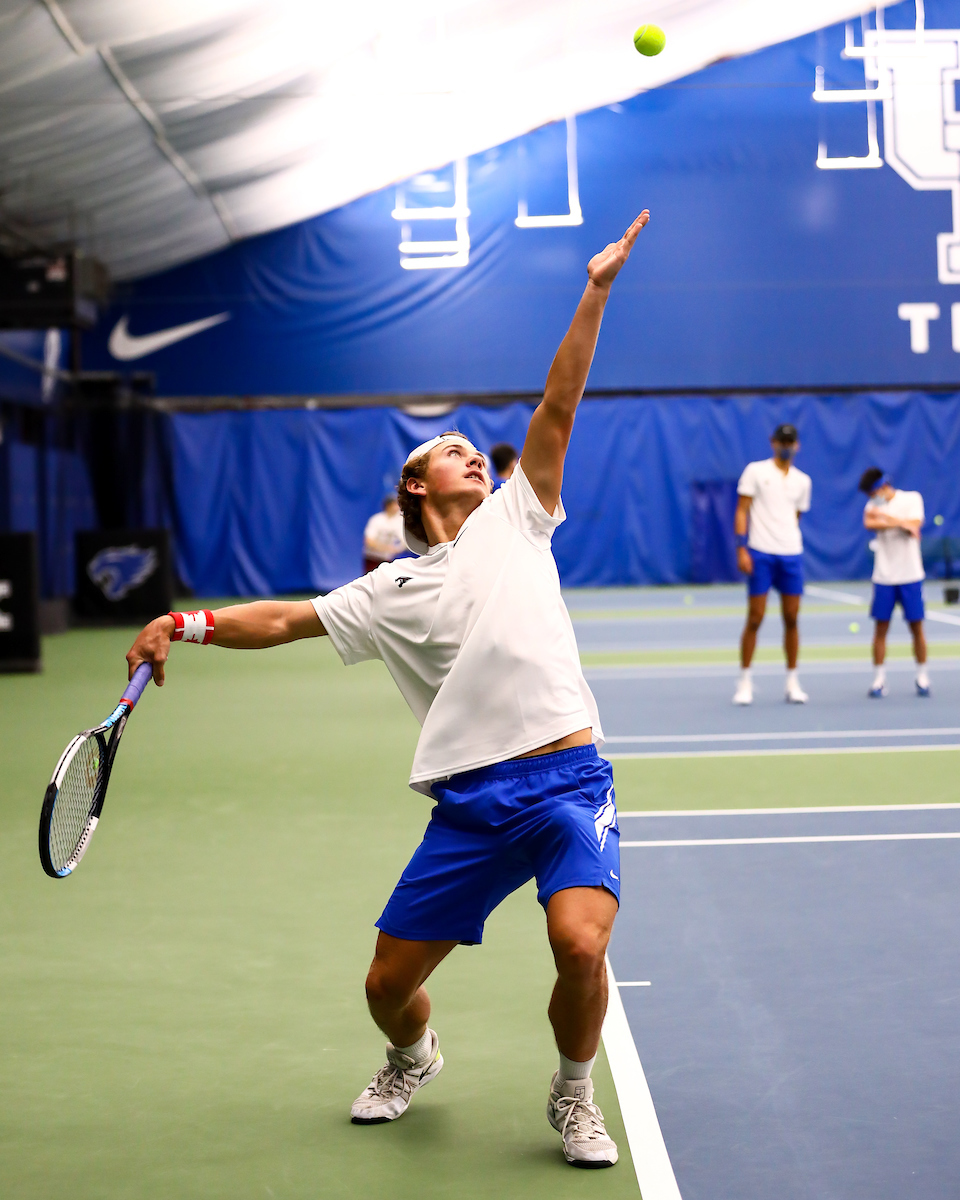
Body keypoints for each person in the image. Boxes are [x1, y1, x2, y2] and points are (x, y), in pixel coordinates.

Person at [124, 210, 651, 1169]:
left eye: (474, 451)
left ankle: (573, 1097)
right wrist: (181, 622)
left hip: (570, 782)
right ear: (412, 487)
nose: (474, 455)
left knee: (581, 945)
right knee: (384, 983)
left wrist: (596, 290)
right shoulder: (386, 592)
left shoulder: (519, 519)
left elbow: (559, 403)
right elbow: (280, 621)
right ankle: (413, 1055)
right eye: (450, 452)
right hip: (471, 802)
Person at [732, 423, 812, 705]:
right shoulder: (756, 471)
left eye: (791, 442)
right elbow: (742, 511)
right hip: (760, 554)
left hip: (791, 554)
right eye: (782, 441)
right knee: (755, 617)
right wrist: (743, 549)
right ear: (773, 442)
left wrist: (785, 539)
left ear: (797, 445)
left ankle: (792, 682)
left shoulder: (803, 481)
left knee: (791, 618)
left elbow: (796, 518)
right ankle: (744, 682)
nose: (786, 446)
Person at [859, 468, 929, 697]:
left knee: (916, 627)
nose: (871, 499)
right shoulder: (872, 506)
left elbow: (916, 522)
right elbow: (869, 523)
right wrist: (901, 523)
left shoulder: (912, 498)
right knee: (880, 629)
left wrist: (891, 520)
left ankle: (922, 677)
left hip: (910, 575)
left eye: (873, 493)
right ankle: (879, 680)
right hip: (884, 577)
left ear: (882, 486)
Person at [363, 496, 405, 573]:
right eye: (395, 504)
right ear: (388, 506)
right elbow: (369, 541)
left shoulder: (398, 521)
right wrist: (385, 548)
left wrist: (399, 548)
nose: (397, 507)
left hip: (387, 560)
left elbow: (403, 541)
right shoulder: (377, 519)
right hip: (372, 559)